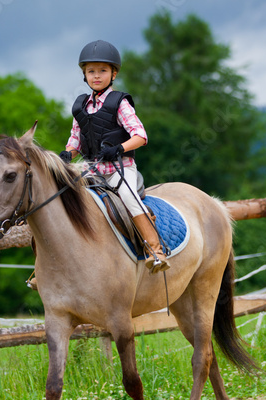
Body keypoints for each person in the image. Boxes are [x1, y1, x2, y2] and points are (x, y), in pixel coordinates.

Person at [59, 40, 170, 274]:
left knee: (128, 198)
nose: (96, 76)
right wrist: (68, 154)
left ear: (113, 73)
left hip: (120, 169)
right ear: (84, 74)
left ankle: (155, 249)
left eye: (102, 71)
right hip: (91, 171)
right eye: (91, 71)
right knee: (62, 200)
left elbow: (140, 135)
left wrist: (119, 148)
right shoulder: (80, 106)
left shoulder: (119, 102)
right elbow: (76, 139)